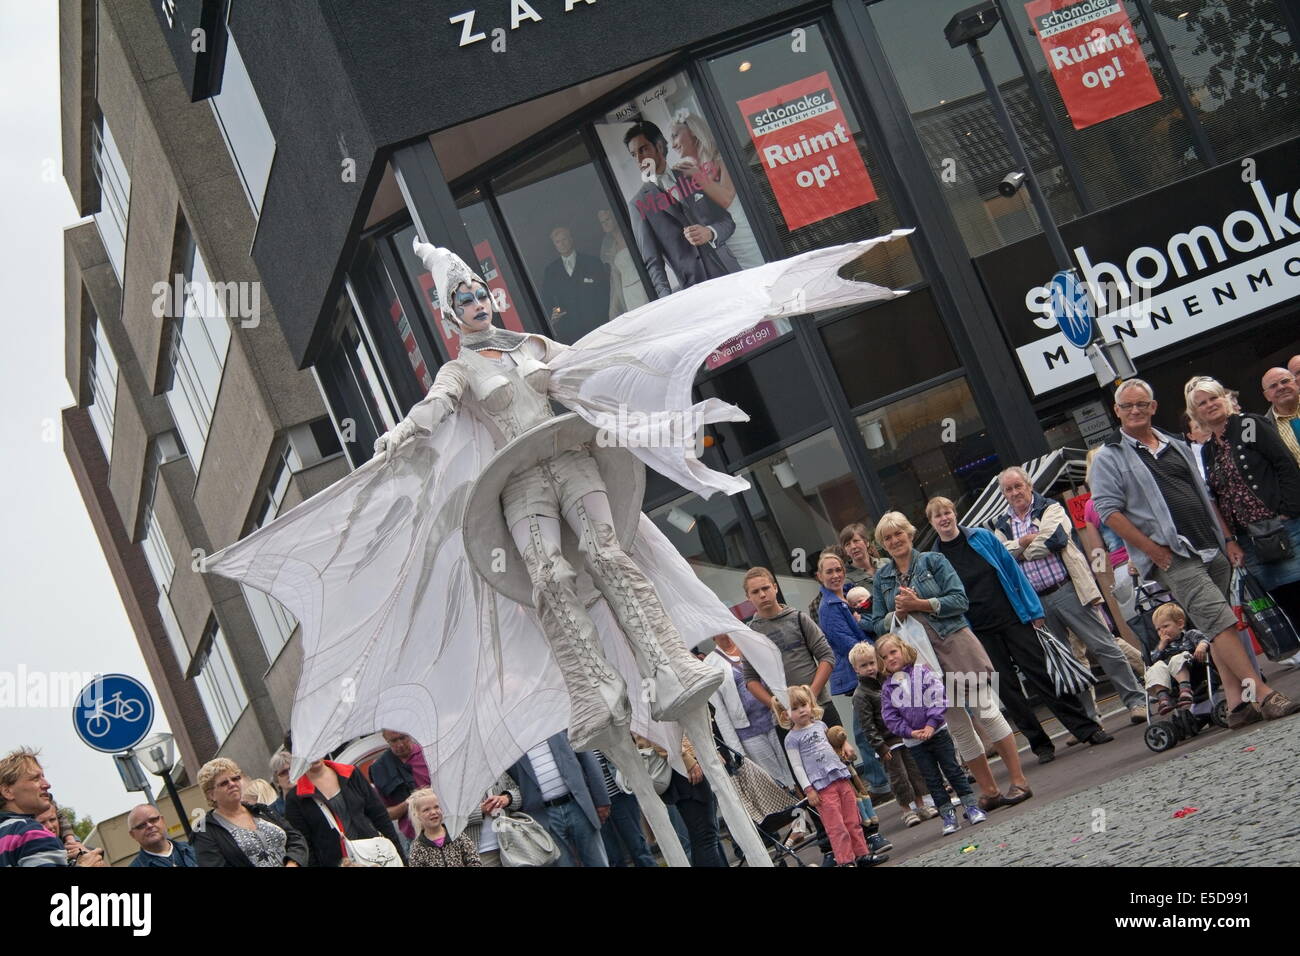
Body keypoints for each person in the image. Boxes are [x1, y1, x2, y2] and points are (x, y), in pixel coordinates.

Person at [202, 232, 904, 860]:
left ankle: (662, 656)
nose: (476, 302)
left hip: (570, 457)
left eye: (479, 290)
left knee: (605, 549)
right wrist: (403, 434)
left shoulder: (534, 346)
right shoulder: (461, 370)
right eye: (463, 298)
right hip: (516, 482)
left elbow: (600, 366)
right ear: (450, 317)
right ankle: (590, 688)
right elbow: (437, 409)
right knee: (545, 574)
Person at [1089, 378, 1299, 727]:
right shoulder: (1110, 456)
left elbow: (1204, 494)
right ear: (1117, 411)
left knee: (1216, 626)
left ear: (1153, 407)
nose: (1136, 410)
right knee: (1220, 621)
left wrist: (1227, 539)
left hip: (1209, 545)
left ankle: (1236, 704)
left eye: (1142, 404)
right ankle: (1262, 694)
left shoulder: (1173, 443)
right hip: (1172, 554)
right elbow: (1110, 512)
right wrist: (1154, 552)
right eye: (1128, 406)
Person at [870, 511, 1038, 809]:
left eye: (899, 533)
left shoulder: (934, 561)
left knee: (986, 712)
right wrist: (898, 613)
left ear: (909, 534)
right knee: (958, 726)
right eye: (888, 537)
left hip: (955, 646)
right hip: (919, 662)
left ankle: (1019, 781)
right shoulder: (882, 577)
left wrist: (921, 604)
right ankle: (989, 790)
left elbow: (960, 600)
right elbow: (878, 624)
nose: (895, 540)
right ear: (882, 544)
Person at [927, 495, 1105, 768]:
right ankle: (1040, 744)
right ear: (932, 522)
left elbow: (1013, 573)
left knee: (1042, 675)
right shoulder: (935, 559)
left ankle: (1086, 729)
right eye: (938, 515)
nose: (945, 518)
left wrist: (1034, 611)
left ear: (955, 513)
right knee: (1008, 690)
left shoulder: (982, 538)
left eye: (948, 512)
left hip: (1013, 618)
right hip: (978, 632)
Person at [992, 466, 1148, 724]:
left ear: (1029, 485)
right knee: (1068, 660)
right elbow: (1001, 555)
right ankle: (1089, 718)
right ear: (1004, 494)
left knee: (1104, 646)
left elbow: (1055, 539)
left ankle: (1136, 701)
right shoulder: (1001, 525)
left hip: (1068, 589)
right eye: (1008, 489)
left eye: (1018, 486)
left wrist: (1020, 550)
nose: (1015, 492)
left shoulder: (1049, 508)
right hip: (1038, 601)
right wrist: (1023, 542)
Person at [1188, 375, 1300, 629]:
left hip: (1283, 528)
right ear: (1195, 412)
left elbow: (1285, 465)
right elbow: (1215, 496)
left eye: (1214, 397)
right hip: (1250, 542)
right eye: (1202, 402)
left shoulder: (1248, 424)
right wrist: (1230, 540)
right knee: (1286, 602)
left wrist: (1288, 511)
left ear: (1224, 399)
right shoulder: (1208, 450)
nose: (1210, 404)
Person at [877, 635, 982, 836]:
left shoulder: (922, 672)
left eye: (893, 652)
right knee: (931, 779)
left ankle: (971, 806)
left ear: (903, 650)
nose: (890, 658)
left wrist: (931, 724)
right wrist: (910, 732)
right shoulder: (887, 688)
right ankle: (948, 815)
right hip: (914, 742)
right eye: (884, 656)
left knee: (953, 770)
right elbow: (890, 717)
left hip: (938, 733)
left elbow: (938, 696)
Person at [774, 685, 889, 867]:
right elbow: (796, 766)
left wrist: (845, 750)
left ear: (811, 704)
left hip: (840, 778)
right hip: (821, 788)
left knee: (853, 820)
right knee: (836, 827)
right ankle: (846, 861)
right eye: (794, 708)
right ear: (786, 714)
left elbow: (834, 747)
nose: (801, 710)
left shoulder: (821, 725)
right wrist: (808, 789)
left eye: (803, 704)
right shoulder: (791, 739)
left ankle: (862, 854)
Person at [624, 118, 739, 297]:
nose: (639, 159)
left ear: (659, 146)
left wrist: (710, 232)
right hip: (694, 292)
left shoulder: (692, 175)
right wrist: (669, 301)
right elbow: (653, 263)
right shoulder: (638, 205)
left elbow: (727, 222)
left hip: (730, 274)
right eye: (633, 154)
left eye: (643, 149)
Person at [813, 549, 887, 794]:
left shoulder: (850, 596)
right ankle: (877, 782)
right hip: (859, 672)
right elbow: (848, 645)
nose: (835, 575)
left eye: (838, 570)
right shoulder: (828, 607)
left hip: (871, 668)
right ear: (819, 576)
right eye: (829, 572)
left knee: (876, 723)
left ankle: (883, 779)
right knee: (865, 729)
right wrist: (879, 654)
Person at [849, 642, 938, 827]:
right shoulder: (861, 695)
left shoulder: (888, 682)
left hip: (904, 734)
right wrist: (880, 746)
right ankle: (906, 810)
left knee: (914, 771)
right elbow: (867, 725)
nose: (870, 668)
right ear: (856, 669)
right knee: (898, 776)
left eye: (872, 663)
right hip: (887, 742)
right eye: (864, 665)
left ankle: (921, 804)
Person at [742, 567, 841, 729]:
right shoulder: (749, 634)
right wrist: (777, 707)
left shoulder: (799, 618)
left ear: (775, 587)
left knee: (840, 753)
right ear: (748, 597)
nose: (762, 594)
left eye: (766, 588)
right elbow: (750, 679)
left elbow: (827, 656)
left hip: (820, 706)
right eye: (755, 591)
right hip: (786, 718)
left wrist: (811, 696)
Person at [668, 111, 764, 270]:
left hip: (745, 236)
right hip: (721, 244)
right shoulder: (689, 172)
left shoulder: (721, 159)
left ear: (692, 130)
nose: (672, 144)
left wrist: (697, 175)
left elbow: (726, 199)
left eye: (675, 135)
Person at [704, 633, 793, 787]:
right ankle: (793, 809)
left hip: (776, 718)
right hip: (748, 732)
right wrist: (736, 751)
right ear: (712, 636)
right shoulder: (709, 664)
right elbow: (720, 713)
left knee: (792, 768)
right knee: (775, 778)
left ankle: (809, 808)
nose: (724, 632)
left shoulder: (749, 646)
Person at [507, 733, 610, 867]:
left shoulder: (557, 723)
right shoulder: (509, 744)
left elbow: (587, 756)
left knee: (597, 861)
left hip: (578, 805)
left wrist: (601, 799)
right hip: (543, 816)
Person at [284, 756, 404, 867]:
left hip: (375, 856)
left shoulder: (350, 773)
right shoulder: (295, 798)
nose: (313, 756)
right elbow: (305, 846)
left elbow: (380, 817)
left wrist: (401, 857)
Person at [193, 758, 308, 867]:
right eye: (224, 783)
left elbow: (296, 838)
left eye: (235, 778)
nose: (232, 784)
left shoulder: (261, 810)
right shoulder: (205, 831)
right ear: (211, 794)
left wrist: (293, 862)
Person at [0, 748, 104, 868]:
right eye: (35, 778)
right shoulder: (31, 833)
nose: (47, 784)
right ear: (7, 791)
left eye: (43, 777)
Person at [824, 725, 892, 855]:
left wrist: (844, 742)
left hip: (844, 766)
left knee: (858, 793)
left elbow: (836, 731)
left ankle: (872, 834)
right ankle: (834, 851)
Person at [541, 225, 611, 340]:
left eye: (564, 239)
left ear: (571, 239)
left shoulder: (592, 263)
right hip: (570, 331)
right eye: (558, 242)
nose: (562, 244)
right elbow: (548, 299)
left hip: (597, 326)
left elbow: (605, 292)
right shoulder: (551, 271)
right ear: (555, 245)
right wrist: (556, 312)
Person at [592, 748, 657, 867]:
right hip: (594, 804)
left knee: (638, 847)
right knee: (612, 857)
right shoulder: (566, 734)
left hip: (619, 793)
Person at [1146, 603, 1211, 715]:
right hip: (1170, 678)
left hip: (1193, 669)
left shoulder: (1190, 634)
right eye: (1158, 629)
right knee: (1155, 667)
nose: (1162, 631)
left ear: (1180, 624)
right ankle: (1163, 698)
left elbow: (1205, 638)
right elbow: (1153, 659)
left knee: (1177, 659)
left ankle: (1185, 689)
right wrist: (1161, 645)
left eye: (1165, 626)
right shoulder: (1162, 646)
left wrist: (1201, 646)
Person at [369, 728, 431, 844]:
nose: (400, 745)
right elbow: (386, 814)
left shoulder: (429, 753)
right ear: (385, 739)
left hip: (444, 827)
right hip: (415, 837)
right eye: (394, 741)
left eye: (403, 738)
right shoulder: (380, 768)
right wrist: (410, 802)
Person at [405, 788, 481, 867]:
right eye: (426, 810)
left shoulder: (456, 835)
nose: (433, 812)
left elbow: (474, 861)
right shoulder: (418, 847)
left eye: (436, 807)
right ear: (417, 815)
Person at [597, 208, 648, 317]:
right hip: (627, 290)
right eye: (602, 222)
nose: (606, 224)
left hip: (642, 284)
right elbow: (615, 276)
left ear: (614, 218)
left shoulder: (630, 234)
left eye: (608, 219)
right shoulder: (609, 246)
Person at [127, 804, 197, 867]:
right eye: (141, 825)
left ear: (163, 820)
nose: (149, 826)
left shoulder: (195, 849)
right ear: (132, 835)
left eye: (153, 820)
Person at [1263, 363, 1300, 468]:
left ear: (1296, 383)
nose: (1281, 387)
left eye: (1285, 381)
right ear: (1267, 396)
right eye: (1273, 386)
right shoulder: (1264, 428)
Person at [268, 748, 291, 816]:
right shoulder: (273, 812)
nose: (289, 774)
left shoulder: (313, 795)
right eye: (283, 772)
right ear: (276, 780)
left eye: (292, 769)